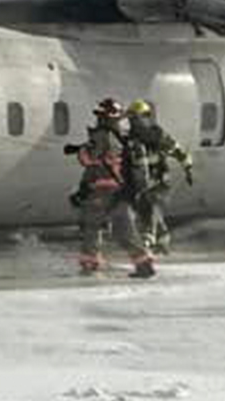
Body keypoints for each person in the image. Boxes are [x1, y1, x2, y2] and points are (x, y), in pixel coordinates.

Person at [65, 97, 153, 278]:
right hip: (121, 191)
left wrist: (80, 152)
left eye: (100, 116)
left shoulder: (102, 136)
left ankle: (90, 264)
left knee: (91, 227)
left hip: (103, 191)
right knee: (125, 230)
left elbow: (90, 161)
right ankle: (143, 264)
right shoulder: (123, 138)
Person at [123, 99, 193, 255]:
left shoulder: (158, 135)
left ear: (146, 117)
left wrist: (187, 166)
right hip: (141, 184)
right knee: (146, 210)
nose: (133, 122)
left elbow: (176, 150)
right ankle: (163, 241)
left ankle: (148, 241)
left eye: (135, 118)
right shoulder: (130, 140)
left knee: (151, 208)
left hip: (159, 181)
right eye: (131, 119)